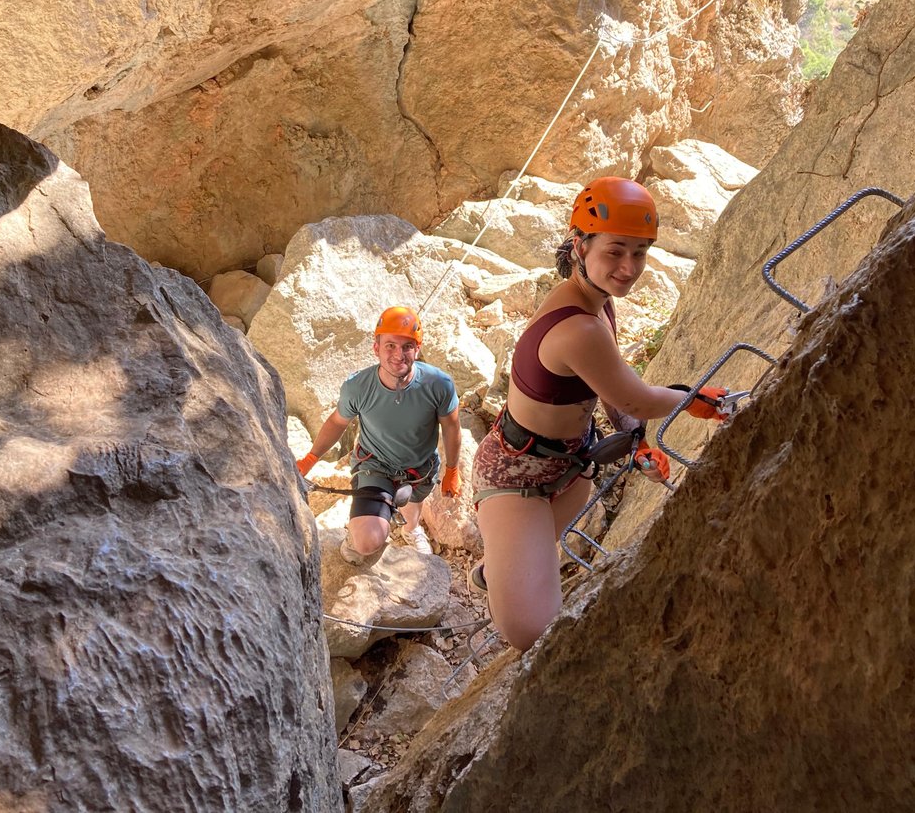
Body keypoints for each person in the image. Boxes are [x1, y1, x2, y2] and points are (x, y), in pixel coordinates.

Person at [469, 177, 728, 650]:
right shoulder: (578, 325)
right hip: (515, 478)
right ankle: (499, 565)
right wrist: (698, 401)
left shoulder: (597, 304)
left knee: (530, 567)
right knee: (534, 632)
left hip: (568, 470)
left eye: (640, 252)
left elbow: (613, 399)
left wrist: (638, 440)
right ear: (580, 245)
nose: (629, 267)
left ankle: (502, 566)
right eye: (616, 251)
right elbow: (637, 400)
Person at [296, 306, 462, 566]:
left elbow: (451, 427)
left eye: (407, 346)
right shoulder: (358, 387)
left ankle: (410, 529)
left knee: (413, 503)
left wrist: (452, 468)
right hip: (376, 465)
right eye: (390, 346)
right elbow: (337, 422)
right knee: (366, 542)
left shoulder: (439, 385)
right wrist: (311, 457)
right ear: (376, 348)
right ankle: (361, 532)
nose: (399, 355)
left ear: (417, 349)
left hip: (420, 467)